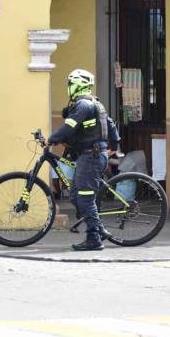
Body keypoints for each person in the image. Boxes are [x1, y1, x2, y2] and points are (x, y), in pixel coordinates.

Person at [47, 69, 120, 251]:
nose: (68, 88)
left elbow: (69, 126)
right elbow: (110, 124)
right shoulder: (94, 104)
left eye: (70, 84)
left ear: (77, 86)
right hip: (89, 155)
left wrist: (52, 139)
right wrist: (114, 144)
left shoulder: (84, 105)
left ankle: (94, 238)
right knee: (75, 195)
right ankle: (98, 227)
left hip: (92, 155)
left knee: (85, 198)